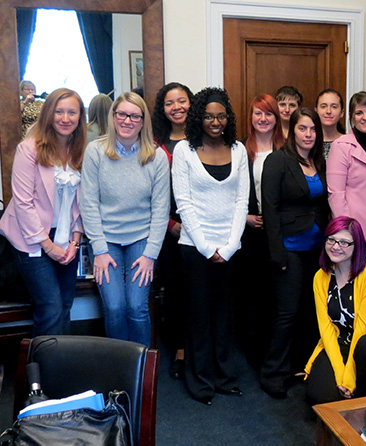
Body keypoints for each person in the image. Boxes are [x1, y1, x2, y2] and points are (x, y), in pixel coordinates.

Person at [172, 87, 249, 405]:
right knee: (199, 316)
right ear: (198, 118)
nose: (215, 122)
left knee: (224, 316)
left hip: (230, 247)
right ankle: (200, 381)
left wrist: (229, 247)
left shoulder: (239, 149)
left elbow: (242, 201)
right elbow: (183, 203)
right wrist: (207, 248)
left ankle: (224, 377)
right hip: (195, 247)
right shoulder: (184, 151)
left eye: (221, 116)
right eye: (208, 116)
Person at [80, 92, 170, 347]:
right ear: (113, 116)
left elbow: (160, 209)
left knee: (137, 307)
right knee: (116, 307)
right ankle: (119, 370)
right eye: (122, 114)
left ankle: (141, 372)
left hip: (141, 240)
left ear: (143, 121)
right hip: (106, 241)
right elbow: (88, 203)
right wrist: (98, 249)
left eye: (134, 116)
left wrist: (150, 254)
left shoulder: (156, 156)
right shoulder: (95, 151)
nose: (127, 120)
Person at [0, 88, 86, 336]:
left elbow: (82, 201)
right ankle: (42, 373)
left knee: (65, 305)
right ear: (48, 114)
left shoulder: (80, 151)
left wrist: (75, 241)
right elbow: (23, 203)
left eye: (72, 112)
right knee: (50, 307)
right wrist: (49, 246)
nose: (65, 118)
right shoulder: (29, 149)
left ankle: (61, 364)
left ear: (80, 117)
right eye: (59, 111)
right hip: (32, 240)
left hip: (67, 237)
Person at [260, 107, 329, 399]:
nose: (308, 135)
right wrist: (276, 252)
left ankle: (302, 366)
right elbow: (270, 208)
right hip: (288, 249)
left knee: (310, 313)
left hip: (318, 250)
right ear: (292, 130)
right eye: (302, 129)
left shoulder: (318, 161)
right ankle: (273, 374)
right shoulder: (278, 161)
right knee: (287, 314)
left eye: (313, 129)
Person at [304, 216, 366, 404]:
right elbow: (326, 328)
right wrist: (341, 375)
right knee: (319, 396)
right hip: (339, 343)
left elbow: (364, 326)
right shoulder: (320, 277)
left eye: (344, 242)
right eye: (331, 239)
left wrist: (349, 378)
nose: (335, 246)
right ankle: (351, 391)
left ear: (357, 245)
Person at [238, 94, 284, 368]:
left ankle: (274, 351)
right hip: (250, 234)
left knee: (277, 295)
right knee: (252, 295)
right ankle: (253, 352)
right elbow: (232, 193)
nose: (263, 119)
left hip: (279, 234)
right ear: (251, 117)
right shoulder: (241, 150)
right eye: (258, 114)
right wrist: (245, 218)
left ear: (276, 118)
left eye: (268, 114)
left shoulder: (286, 150)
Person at [151, 81, 193, 379]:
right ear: (162, 109)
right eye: (170, 102)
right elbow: (148, 192)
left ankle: (201, 348)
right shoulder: (154, 143)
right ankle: (179, 350)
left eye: (182, 100)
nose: (176, 107)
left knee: (202, 291)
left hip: (202, 226)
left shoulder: (204, 138)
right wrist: (170, 225)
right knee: (176, 291)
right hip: (167, 227)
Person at [326, 91, 366, 258]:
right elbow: (335, 193)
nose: (365, 117)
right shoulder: (341, 146)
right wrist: (347, 229)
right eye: (359, 113)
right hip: (355, 225)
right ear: (352, 117)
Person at [315, 89, 345, 159]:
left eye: (334, 107)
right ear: (316, 111)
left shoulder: (348, 143)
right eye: (323, 106)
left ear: (341, 113)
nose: (328, 111)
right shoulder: (308, 141)